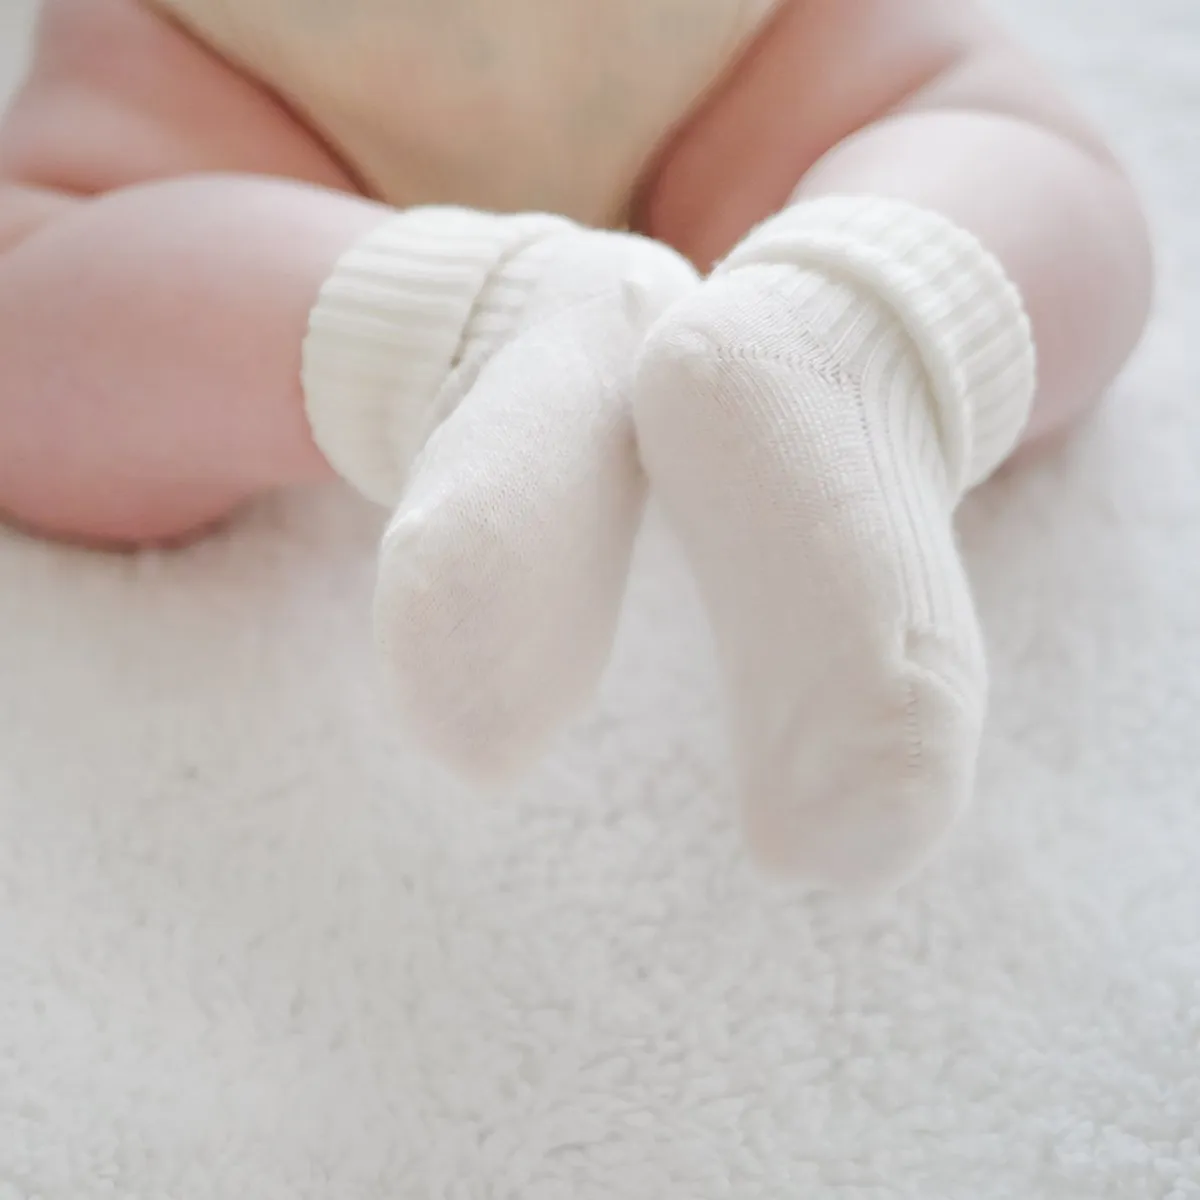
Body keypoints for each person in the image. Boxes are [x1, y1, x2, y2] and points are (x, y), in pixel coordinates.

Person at [0, 0, 1153, 888]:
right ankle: (854, 318)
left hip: (242, 44)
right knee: (982, 139)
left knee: (39, 297)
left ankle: (461, 331)